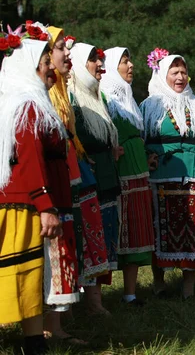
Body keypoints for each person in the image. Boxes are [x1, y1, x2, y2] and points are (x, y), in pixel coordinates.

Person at [0, 34, 66, 355]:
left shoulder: (10, 100)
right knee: (23, 270)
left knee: (22, 271)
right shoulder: (27, 105)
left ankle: (33, 341)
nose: (46, 70)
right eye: (42, 65)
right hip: (19, 202)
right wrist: (45, 205)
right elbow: (29, 158)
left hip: (10, 198)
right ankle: (33, 343)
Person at [140, 49, 195, 299]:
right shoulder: (150, 106)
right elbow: (139, 138)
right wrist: (147, 158)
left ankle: (188, 288)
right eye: (174, 72)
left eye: (184, 72)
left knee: (194, 229)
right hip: (163, 173)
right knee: (161, 228)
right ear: (163, 74)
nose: (180, 77)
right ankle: (159, 283)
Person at [41, 25, 87, 345]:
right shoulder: (43, 93)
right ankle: (48, 327)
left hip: (60, 176)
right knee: (52, 248)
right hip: (46, 180)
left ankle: (55, 322)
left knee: (62, 245)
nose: (66, 52)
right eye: (59, 48)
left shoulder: (58, 91)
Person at [68, 43, 120, 315]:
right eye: (93, 61)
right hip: (88, 179)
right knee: (88, 239)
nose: (101, 66)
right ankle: (89, 302)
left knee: (102, 239)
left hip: (106, 177)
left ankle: (96, 300)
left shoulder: (98, 97)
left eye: (100, 61)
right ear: (79, 64)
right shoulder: (72, 97)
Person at [100, 47, 154, 306]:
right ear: (112, 66)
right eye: (124, 61)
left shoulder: (128, 98)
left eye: (130, 60)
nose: (131, 65)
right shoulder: (104, 98)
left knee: (135, 229)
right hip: (119, 172)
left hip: (137, 168)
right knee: (117, 229)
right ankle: (99, 297)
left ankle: (130, 294)